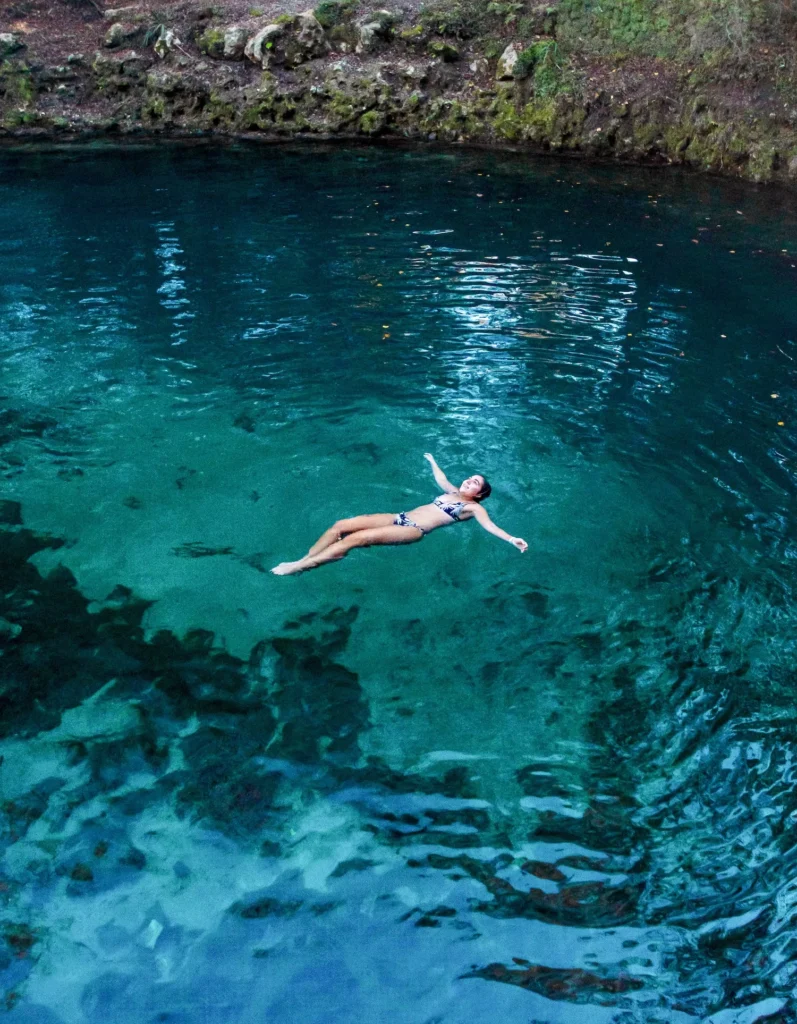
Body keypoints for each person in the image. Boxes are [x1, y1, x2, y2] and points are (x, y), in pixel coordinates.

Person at [270, 453, 528, 576]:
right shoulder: (451, 492)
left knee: (354, 539)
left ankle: (302, 566)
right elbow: (442, 478)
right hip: (399, 516)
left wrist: (511, 539)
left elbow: (489, 526)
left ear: (480, 495)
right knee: (340, 526)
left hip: (413, 530)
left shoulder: (473, 508)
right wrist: (432, 461)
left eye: (475, 484)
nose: (469, 482)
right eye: (470, 478)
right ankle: (305, 559)